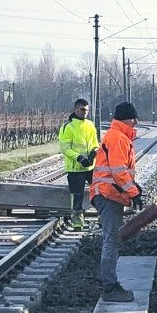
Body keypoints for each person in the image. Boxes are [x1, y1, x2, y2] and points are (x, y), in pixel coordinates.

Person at [89, 100, 142, 303]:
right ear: (128, 119)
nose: (136, 123)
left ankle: (108, 279)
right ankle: (109, 288)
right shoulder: (118, 138)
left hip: (108, 193)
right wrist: (133, 191)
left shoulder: (117, 136)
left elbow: (120, 173)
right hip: (108, 194)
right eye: (134, 119)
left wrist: (134, 188)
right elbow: (118, 172)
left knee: (112, 240)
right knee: (111, 240)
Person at [57, 97, 98, 230]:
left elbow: (95, 143)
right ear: (76, 109)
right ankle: (77, 222)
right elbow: (65, 148)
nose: (84, 112)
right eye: (82, 110)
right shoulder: (67, 127)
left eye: (87, 110)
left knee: (99, 192)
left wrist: (94, 152)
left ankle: (103, 217)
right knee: (77, 196)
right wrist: (79, 158)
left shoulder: (90, 125)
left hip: (90, 166)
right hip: (75, 168)